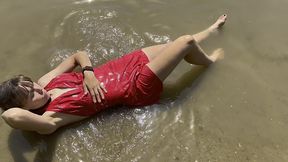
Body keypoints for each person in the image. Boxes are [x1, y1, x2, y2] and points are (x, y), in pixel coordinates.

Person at [0, 14, 227, 134]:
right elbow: (11, 117)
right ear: (24, 108)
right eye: (30, 96)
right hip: (135, 87)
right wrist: (12, 109)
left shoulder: (46, 81)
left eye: (31, 85)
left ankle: (209, 31)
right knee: (184, 42)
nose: (37, 90)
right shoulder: (49, 119)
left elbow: (78, 55)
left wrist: (88, 72)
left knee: (174, 45)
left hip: (122, 66)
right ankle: (210, 62)